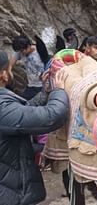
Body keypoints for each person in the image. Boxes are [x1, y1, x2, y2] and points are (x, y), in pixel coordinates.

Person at [0, 50, 69, 204]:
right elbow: (51, 117)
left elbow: (19, 115)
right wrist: (60, 90)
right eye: (10, 69)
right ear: (3, 75)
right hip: (9, 192)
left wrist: (45, 93)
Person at [10, 35, 45, 100]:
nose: (21, 53)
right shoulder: (20, 52)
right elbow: (11, 63)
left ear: (28, 46)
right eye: (19, 51)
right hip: (31, 85)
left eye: (22, 51)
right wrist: (9, 71)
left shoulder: (40, 51)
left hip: (42, 86)